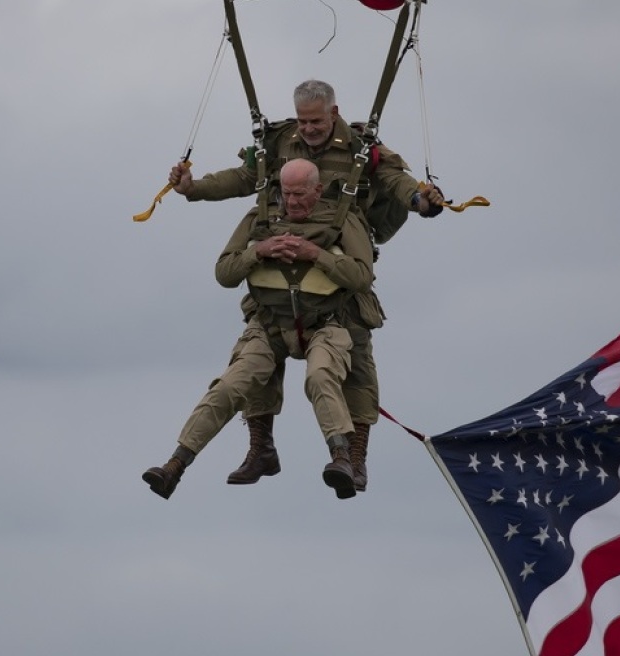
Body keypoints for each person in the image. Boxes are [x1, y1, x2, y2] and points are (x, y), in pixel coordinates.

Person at [166, 79, 444, 493]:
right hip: (280, 276)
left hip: (340, 266)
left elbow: (396, 182)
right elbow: (245, 177)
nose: (309, 129)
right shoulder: (281, 142)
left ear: (334, 113)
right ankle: (260, 450)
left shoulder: (361, 147)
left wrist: (422, 202)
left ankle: (353, 460)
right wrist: (194, 188)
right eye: (303, 121)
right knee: (254, 359)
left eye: (316, 121)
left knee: (353, 369)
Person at [143, 158, 375, 500]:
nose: (292, 201)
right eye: (287, 193)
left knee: (320, 376)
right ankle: (175, 465)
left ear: (317, 190)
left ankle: (342, 458)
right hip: (269, 324)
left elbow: (362, 277)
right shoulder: (260, 218)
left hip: (325, 323)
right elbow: (225, 273)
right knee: (229, 386)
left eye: (300, 194)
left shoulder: (343, 219)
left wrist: (316, 254)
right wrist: (260, 251)